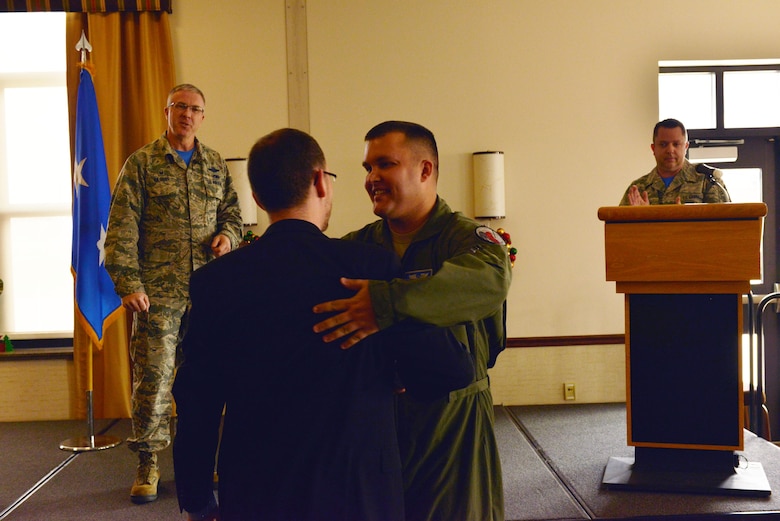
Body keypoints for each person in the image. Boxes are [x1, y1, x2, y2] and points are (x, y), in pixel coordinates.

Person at [172, 128, 475, 521]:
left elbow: (198, 402)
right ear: (320, 182)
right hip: (359, 493)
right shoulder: (370, 268)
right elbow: (450, 371)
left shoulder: (217, 281)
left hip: (256, 493)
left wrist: (197, 500)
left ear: (259, 197)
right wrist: (395, 370)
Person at [313, 121, 512, 521]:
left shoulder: (467, 239)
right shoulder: (360, 246)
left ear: (425, 170)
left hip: (452, 420)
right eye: (368, 168)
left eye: (385, 164)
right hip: (378, 420)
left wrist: (386, 303)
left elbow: (489, 281)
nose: (372, 179)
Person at [104, 83, 243, 504]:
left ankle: (204, 460)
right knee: (155, 381)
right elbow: (122, 226)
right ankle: (148, 464)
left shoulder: (216, 164)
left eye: (195, 109)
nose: (187, 114)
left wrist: (229, 236)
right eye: (179, 107)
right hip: (157, 295)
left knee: (208, 381)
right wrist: (128, 284)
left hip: (208, 295)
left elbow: (234, 213)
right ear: (166, 112)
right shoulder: (142, 164)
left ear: (203, 116)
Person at [620, 118, 730, 205]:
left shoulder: (707, 182)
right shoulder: (638, 189)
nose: (670, 150)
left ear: (686, 147)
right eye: (663, 144)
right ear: (653, 149)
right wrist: (641, 218)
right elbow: (619, 231)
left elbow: (725, 227)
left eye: (676, 144)